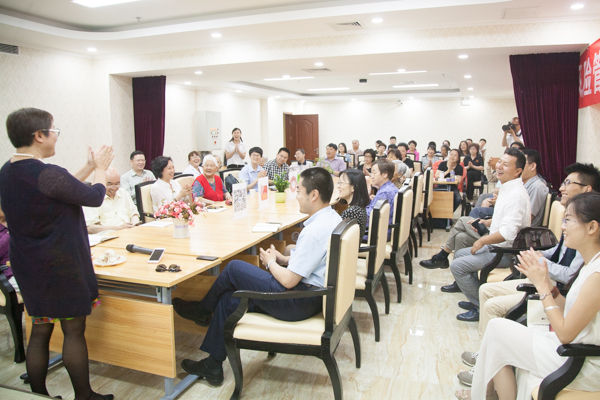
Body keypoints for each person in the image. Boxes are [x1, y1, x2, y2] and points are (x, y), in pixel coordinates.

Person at [171, 167, 342, 386]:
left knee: (233, 268)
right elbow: (315, 260)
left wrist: (270, 262)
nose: (296, 195)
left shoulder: (314, 230)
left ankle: (203, 310)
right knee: (229, 300)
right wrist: (284, 258)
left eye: (299, 190)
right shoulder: (332, 218)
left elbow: (289, 281)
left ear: (314, 195)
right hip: (312, 297)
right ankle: (213, 366)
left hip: (298, 300)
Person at [0, 107, 114, 400]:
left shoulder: (8, 170)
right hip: (61, 265)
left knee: (40, 328)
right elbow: (94, 197)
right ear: (39, 135)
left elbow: (61, 189)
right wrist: (101, 168)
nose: (56, 137)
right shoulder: (46, 173)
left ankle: (38, 395)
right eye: (55, 131)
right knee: (73, 330)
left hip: (28, 264)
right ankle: (84, 395)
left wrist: (88, 166)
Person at [457, 191, 600, 400]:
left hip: (579, 362)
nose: (562, 227)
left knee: (498, 334)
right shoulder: (591, 264)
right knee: (497, 332)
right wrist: (548, 286)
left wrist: (542, 286)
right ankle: (487, 394)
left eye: (568, 220)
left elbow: (565, 334)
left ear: (592, 227)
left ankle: (484, 394)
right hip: (571, 349)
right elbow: (570, 310)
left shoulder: (596, 275)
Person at [444, 149, 531, 322]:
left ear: (518, 171)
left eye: (505, 165)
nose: (499, 167)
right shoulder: (507, 187)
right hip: (496, 246)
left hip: (505, 252)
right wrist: (487, 222)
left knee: (457, 266)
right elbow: (504, 220)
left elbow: (508, 233)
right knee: (459, 253)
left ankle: (480, 306)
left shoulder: (516, 195)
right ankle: (476, 297)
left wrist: (483, 240)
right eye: (500, 162)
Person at [84, 168, 140, 233]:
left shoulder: (123, 193)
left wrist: (134, 225)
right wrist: (118, 228)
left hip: (130, 232)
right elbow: (90, 228)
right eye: (109, 184)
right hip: (108, 235)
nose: (114, 188)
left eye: (117, 184)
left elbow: (134, 213)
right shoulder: (92, 199)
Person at [366, 159, 398, 231]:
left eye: (374, 173)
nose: (371, 176)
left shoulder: (384, 193)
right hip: (386, 227)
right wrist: (374, 199)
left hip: (379, 232)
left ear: (385, 174)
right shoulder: (390, 187)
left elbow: (369, 218)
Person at [338, 169, 370, 238]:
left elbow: (338, 238)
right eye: (339, 183)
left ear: (353, 187)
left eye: (341, 183)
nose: (338, 186)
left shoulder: (351, 212)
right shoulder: (358, 207)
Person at [521, 148, 549, 226]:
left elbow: (527, 218)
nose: (517, 168)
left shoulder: (537, 187)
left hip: (523, 231)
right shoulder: (522, 184)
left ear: (532, 166)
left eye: (521, 164)